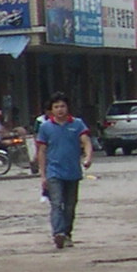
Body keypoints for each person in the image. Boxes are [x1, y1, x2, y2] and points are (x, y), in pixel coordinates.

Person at [34, 93, 93, 249]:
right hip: (54, 172)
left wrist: (88, 157)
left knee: (70, 206)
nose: (60, 110)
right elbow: (41, 151)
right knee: (56, 203)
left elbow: (86, 142)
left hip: (73, 172)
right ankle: (58, 233)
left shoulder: (77, 124)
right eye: (56, 107)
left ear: (67, 108)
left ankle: (67, 233)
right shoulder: (46, 127)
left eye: (62, 106)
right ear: (51, 110)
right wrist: (43, 175)